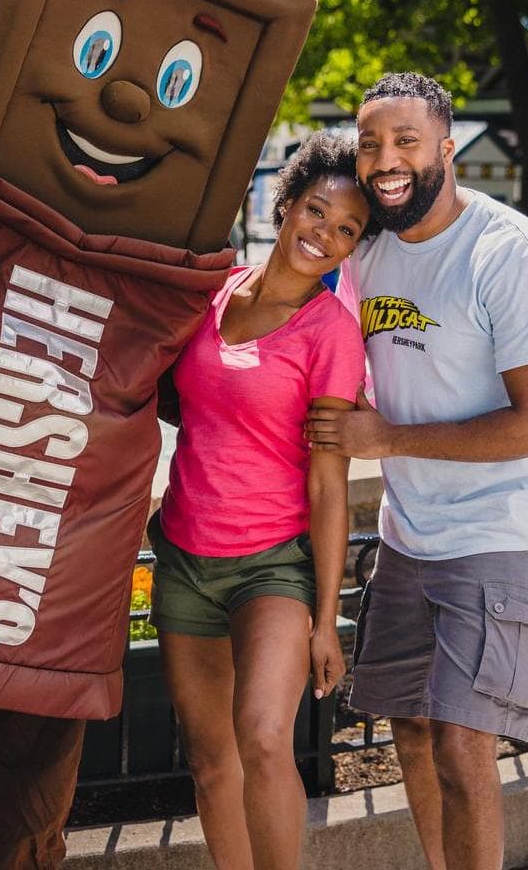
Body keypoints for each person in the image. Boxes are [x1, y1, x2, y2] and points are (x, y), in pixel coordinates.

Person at [305, 73, 528, 870]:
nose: (385, 160)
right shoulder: (373, 250)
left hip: (503, 528)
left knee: (464, 744)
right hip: (410, 534)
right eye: (370, 144)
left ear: (446, 149)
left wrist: (386, 438)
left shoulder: (511, 255)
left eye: (405, 142)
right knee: (416, 734)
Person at [155, 131, 368, 869]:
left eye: (347, 230)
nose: (326, 235)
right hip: (183, 558)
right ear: (286, 204)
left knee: (264, 738)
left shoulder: (331, 332)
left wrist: (327, 618)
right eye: (317, 211)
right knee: (212, 763)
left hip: (272, 565)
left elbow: (328, 481)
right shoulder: (215, 291)